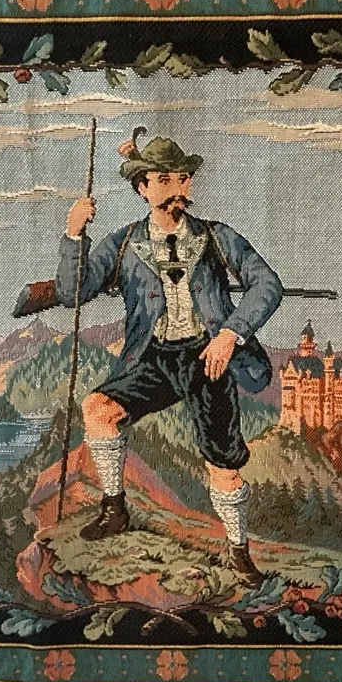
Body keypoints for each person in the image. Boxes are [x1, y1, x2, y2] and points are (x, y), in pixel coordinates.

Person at [56, 126, 283, 587]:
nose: (178, 189)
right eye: (164, 180)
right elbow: (71, 292)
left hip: (208, 356)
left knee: (223, 462)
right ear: (142, 187)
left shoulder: (217, 237)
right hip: (152, 356)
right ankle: (115, 509)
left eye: (182, 178)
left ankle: (239, 552)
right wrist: (74, 233)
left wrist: (230, 335)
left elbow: (267, 284)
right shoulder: (122, 243)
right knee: (98, 410)